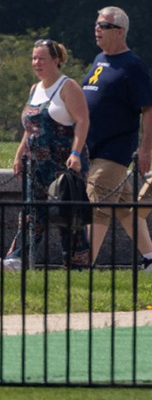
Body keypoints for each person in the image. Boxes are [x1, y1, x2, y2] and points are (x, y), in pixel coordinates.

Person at [81, 6, 152, 271]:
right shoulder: (99, 59)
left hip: (114, 150)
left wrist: (145, 150)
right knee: (125, 209)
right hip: (92, 147)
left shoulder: (133, 65)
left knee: (96, 204)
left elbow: (149, 109)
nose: (97, 29)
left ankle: (83, 265)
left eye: (103, 25)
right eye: (96, 24)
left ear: (119, 32)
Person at [2, 40, 92, 271]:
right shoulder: (35, 89)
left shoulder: (67, 86)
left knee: (67, 216)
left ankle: (76, 265)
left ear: (56, 60)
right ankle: (18, 259)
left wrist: (76, 153)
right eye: (34, 58)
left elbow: (82, 121)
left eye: (41, 59)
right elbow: (30, 128)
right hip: (36, 165)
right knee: (32, 213)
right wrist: (19, 153)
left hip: (63, 163)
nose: (36, 63)